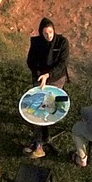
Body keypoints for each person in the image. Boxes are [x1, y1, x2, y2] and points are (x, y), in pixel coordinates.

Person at [25, 17, 71, 158]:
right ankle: (39, 142)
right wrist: (40, 76)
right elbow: (31, 62)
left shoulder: (62, 43)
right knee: (37, 107)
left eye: (50, 32)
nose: (48, 36)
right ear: (41, 33)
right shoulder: (36, 42)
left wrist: (48, 75)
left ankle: (40, 139)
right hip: (40, 77)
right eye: (45, 33)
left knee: (48, 105)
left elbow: (62, 64)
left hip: (56, 77)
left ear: (54, 30)